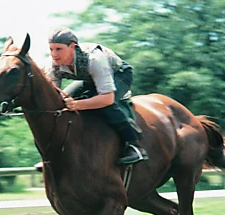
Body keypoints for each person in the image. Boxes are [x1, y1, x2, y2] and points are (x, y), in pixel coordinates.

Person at [45, 26, 148, 165]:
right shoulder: (53, 65)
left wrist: (77, 104)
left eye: (58, 49)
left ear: (72, 47)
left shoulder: (94, 59)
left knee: (106, 106)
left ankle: (134, 146)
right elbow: (53, 95)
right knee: (60, 107)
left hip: (119, 74)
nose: (54, 54)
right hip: (90, 79)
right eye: (51, 49)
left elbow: (107, 98)